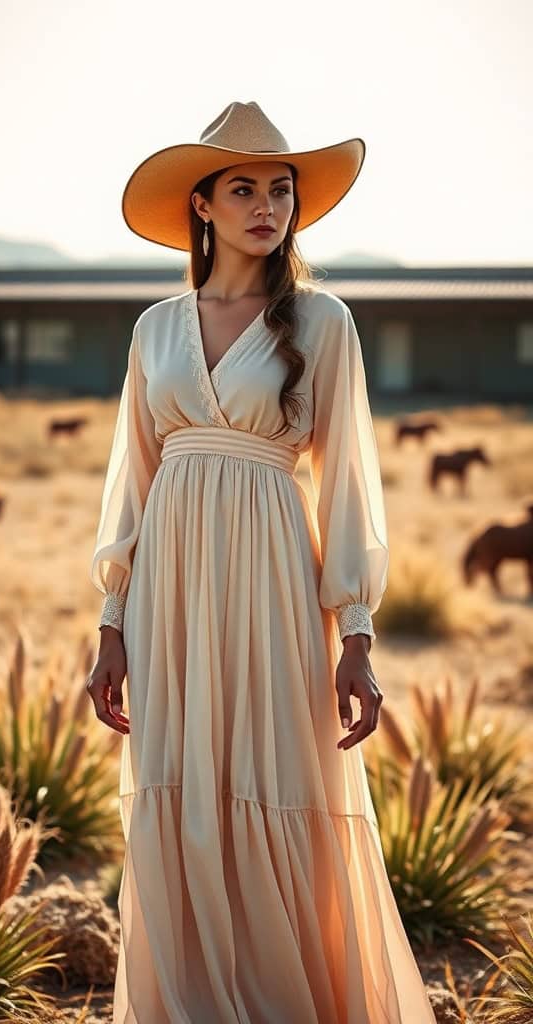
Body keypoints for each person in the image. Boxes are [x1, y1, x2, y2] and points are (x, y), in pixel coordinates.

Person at [87, 100, 437, 1023]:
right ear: (201, 206)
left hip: (279, 579)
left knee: (279, 780)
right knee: (181, 785)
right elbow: (133, 480)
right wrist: (111, 620)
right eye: (242, 187)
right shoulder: (155, 328)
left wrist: (355, 632)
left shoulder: (322, 322)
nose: (266, 205)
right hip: (170, 586)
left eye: (280, 189)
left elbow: (350, 485)